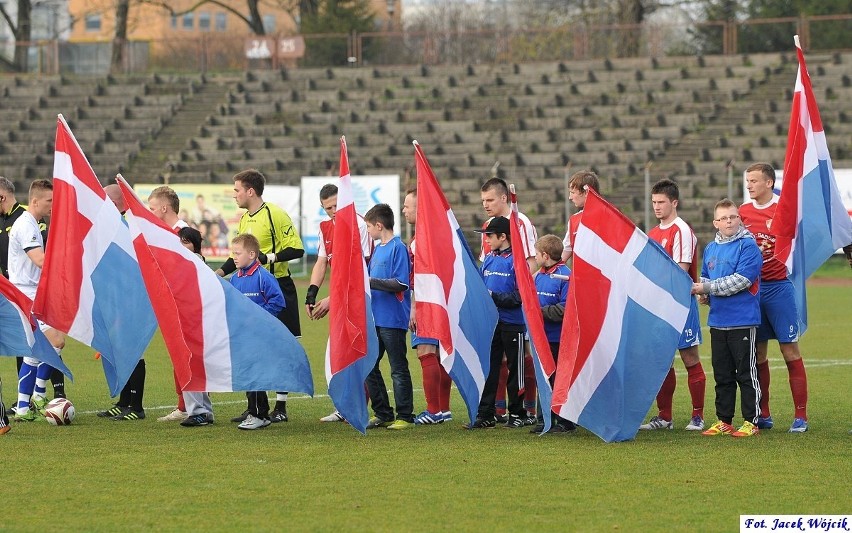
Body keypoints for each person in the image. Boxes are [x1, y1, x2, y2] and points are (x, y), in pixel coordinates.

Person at [216, 169, 304, 424]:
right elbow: (239, 256)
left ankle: (281, 406)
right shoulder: (244, 220)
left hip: (277, 286)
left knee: (280, 346)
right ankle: (254, 406)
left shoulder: (274, 214)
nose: (235, 195)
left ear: (250, 191)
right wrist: (217, 273)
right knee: (251, 347)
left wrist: (270, 258)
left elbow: (297, 248)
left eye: (237, 190)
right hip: (250, 289)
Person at [740, 162, 810, 433]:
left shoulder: (784, 210)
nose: (749, 186)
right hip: (753, 291)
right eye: (748, 181)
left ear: (769, 182)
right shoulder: (742, 213)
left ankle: (800, 416)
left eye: (754, 181)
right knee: (757, 353)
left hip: (779, 288)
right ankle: (763, 412)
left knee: (789, 349)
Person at [691, 199, 763, 438]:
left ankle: (752, 421)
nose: (729, 221)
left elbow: (742, 280)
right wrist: (705, 295)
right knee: (722, 374)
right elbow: (704, 274)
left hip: (743, 319)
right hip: (718, 320)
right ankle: (724, 420)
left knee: (746, 373)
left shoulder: (748, 246)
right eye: (724, 218)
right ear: (715, 223)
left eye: (733, 217)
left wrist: (706, 288)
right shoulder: (711, 248)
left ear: (739, 219)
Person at [639, 179, 707, 432]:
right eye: (654, 202)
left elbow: (681, 272)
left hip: (681, 304)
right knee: (662, 362)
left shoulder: (682, 231)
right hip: (659, 306)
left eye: (661, 202)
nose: (656, 207)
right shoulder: (653, 233)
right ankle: (664, 416)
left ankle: (697, 416)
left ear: (674, 202)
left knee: (690, 358)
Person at [302, 183, 373, 423]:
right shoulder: (325, 228)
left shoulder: (360, 224)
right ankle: (346, 406)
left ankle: (362, 407)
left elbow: (360, 271)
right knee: (340, 351)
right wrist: (311, 292)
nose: (333, 211)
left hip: (360, 299)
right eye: (327, 208)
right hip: (340, 300)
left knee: (359, 351)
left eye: (335, 205)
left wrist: (333, 299)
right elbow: (322, 262)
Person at [1, 176, 66, 403]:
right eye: (49, 200)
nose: (52, 205)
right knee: (55, 341)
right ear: (35, 201)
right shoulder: (26, 224)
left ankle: (24, 404)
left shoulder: (30, 222)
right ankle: (37, 396)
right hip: (26, 294)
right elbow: (39, 259)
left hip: (33, 291)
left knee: (36, 350)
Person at [479, 177, 538, 424]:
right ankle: (494, 410)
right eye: (483, 200)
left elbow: (530, 263)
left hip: (516, 309)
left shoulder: (521, 222)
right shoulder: (489, 229)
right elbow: (485, 265)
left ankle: (526, 409)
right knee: (495, 363)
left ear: (504, 198)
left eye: (490, 199)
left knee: (521, 362)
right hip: (494, 316)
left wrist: (519, 294)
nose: (485, 204)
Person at [468, 216, 526, 429]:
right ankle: (486, 414)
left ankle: (518, 413)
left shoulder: (516, 261)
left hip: (512, 323)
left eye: (490, 236)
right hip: (492, 324)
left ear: (503, 236)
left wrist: (493, 296)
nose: (487, 240)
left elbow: (520, 296)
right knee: (489, 368)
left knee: (515, 369)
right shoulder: (489, 259)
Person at [96, 184, 147, 421]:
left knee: (131, 351)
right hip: (114, 298)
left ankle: (136, 406)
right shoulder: (113, 227)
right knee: (118, 351)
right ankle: (124, 402)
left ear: (115, 204)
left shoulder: (131, 226)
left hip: (131, 299)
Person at [402, 187, 453, 425]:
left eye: (407, 206)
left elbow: (416, 279)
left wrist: (413, 308)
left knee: (426, 352)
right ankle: (443, 409)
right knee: (440, 355)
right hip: (443, 301)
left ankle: (433, 411)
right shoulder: (440, 233)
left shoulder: (419, 241)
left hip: (426, 303)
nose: (404, 211)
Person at [362, 203, 415, 430]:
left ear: (379, 225)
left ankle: (405, 415)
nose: (367, 231)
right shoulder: (378, 249)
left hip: (392, 319)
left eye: (368, 227)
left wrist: (370, 282)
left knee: (397, 367)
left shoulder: (397, 248)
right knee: (369, 366)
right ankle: (383, 413)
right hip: (375, 318)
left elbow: (402, 283)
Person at [228, 233, 286, 430]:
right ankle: (257, 412)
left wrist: (258, 320)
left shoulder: (264, 277)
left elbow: (278, 302)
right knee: (247, 373)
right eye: (233, 253)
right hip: (242, 336)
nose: (234, 257)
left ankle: (258, 414)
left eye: (238, 253)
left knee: (254, 373)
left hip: (260, 336)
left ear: (252, 254)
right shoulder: (235, 278)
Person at [148, 186, 191, 423]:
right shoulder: (163, 232)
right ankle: (184, 404)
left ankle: (189, 406)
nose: (149, 212)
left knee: (185, 352)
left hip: (183, 302)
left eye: (152, 208)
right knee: (177, 353)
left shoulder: (183, 233)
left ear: (164, 208)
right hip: (168, 301)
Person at [529, 234, 575, 434]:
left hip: (559, 339)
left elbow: (566, 308)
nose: (535, 257)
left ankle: (565, 421)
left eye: (537, 254)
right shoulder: (538, 275)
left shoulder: (566, 275)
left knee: (559, 380)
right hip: (542, 338)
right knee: (543, 379)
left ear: (545, 255)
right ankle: (544, 419)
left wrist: (539, 312)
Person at [561, 170, 601, 264]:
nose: (570, 197)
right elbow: (563, 254)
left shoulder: (611, 216)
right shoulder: (574, 220)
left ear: (586, 192)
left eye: (572, 192)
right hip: (582, 277)